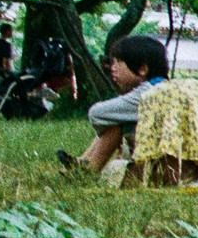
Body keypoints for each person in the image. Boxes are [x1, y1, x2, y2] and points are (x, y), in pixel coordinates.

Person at [57, 35, 170, 173]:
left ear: (142, 69)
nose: (112, 68)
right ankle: (83, 162)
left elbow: (97, 114)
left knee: (115, 122)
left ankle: (88, 167)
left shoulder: (147, 93)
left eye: (118, 63)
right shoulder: (163, 86)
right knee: (118, 118)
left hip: (159, 157)